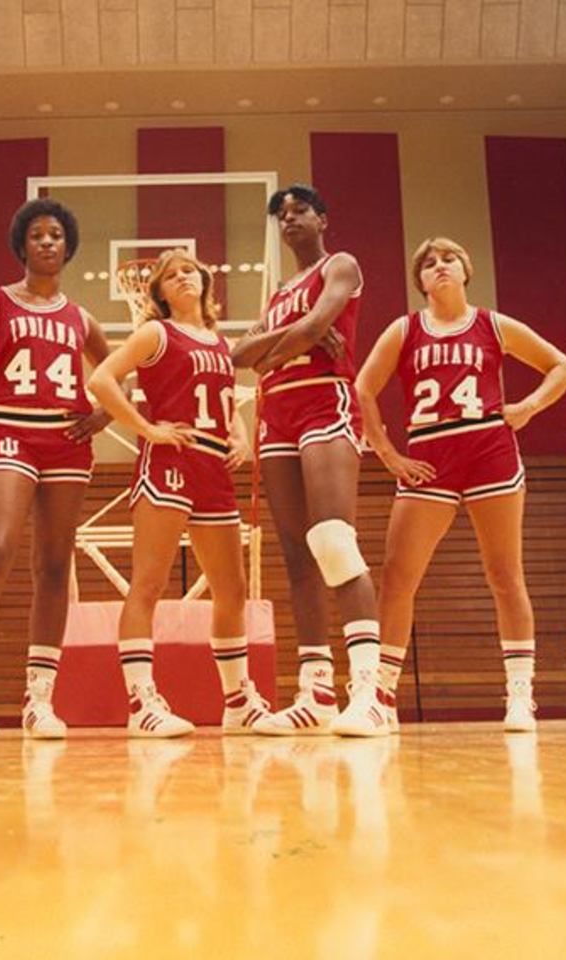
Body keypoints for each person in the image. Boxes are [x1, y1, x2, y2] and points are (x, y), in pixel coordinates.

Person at [354, 237, 566, 732]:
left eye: (448, 259)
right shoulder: (405, 329)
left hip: (490, 454)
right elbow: (364, 388)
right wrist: (387, 453)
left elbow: (563, 367)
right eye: (429, 264)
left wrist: (529, 407)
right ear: (421, 282)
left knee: (504, 575)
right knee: (397, 577)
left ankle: (520, 695)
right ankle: (381, 697)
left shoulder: (493, 324)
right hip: (429, 458)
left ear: (466, 269)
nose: (440, 267)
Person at [0, 199, 112, 741]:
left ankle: (39, 699)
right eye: (37, 234)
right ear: (22, 245)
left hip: (65, 440)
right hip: (9, 431)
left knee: (56, 566)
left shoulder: (81, 318)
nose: (46, 242)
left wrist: (103, 413)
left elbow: (115, 375)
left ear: (68, 247)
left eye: (56, 235)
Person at [87, 248, 271, 737]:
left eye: (190, 269)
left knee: (231, 589)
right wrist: (145, 428)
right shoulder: (155, 333)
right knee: (148, 582)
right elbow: (101, 379)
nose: (183, 277)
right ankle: (141, 701)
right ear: (160, 291)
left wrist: (241, 434)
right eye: (171, 274)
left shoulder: (218, 340)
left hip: (213, 466)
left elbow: (223, 401)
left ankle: (237, 700)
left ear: (206, 281)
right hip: (169, 462)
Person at [231, 185, 389, 737]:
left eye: (299, 211)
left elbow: (316, 327)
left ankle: (369, 692)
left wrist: (278, 347)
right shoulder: (277, 293)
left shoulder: (340, 265)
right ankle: (316, 691)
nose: (290, 219)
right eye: (282, 215)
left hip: (325, 398)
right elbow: (239, 357)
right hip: (279, 411)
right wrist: (292, 340)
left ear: (322, 217)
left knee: (332, 539)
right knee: (296, 556)